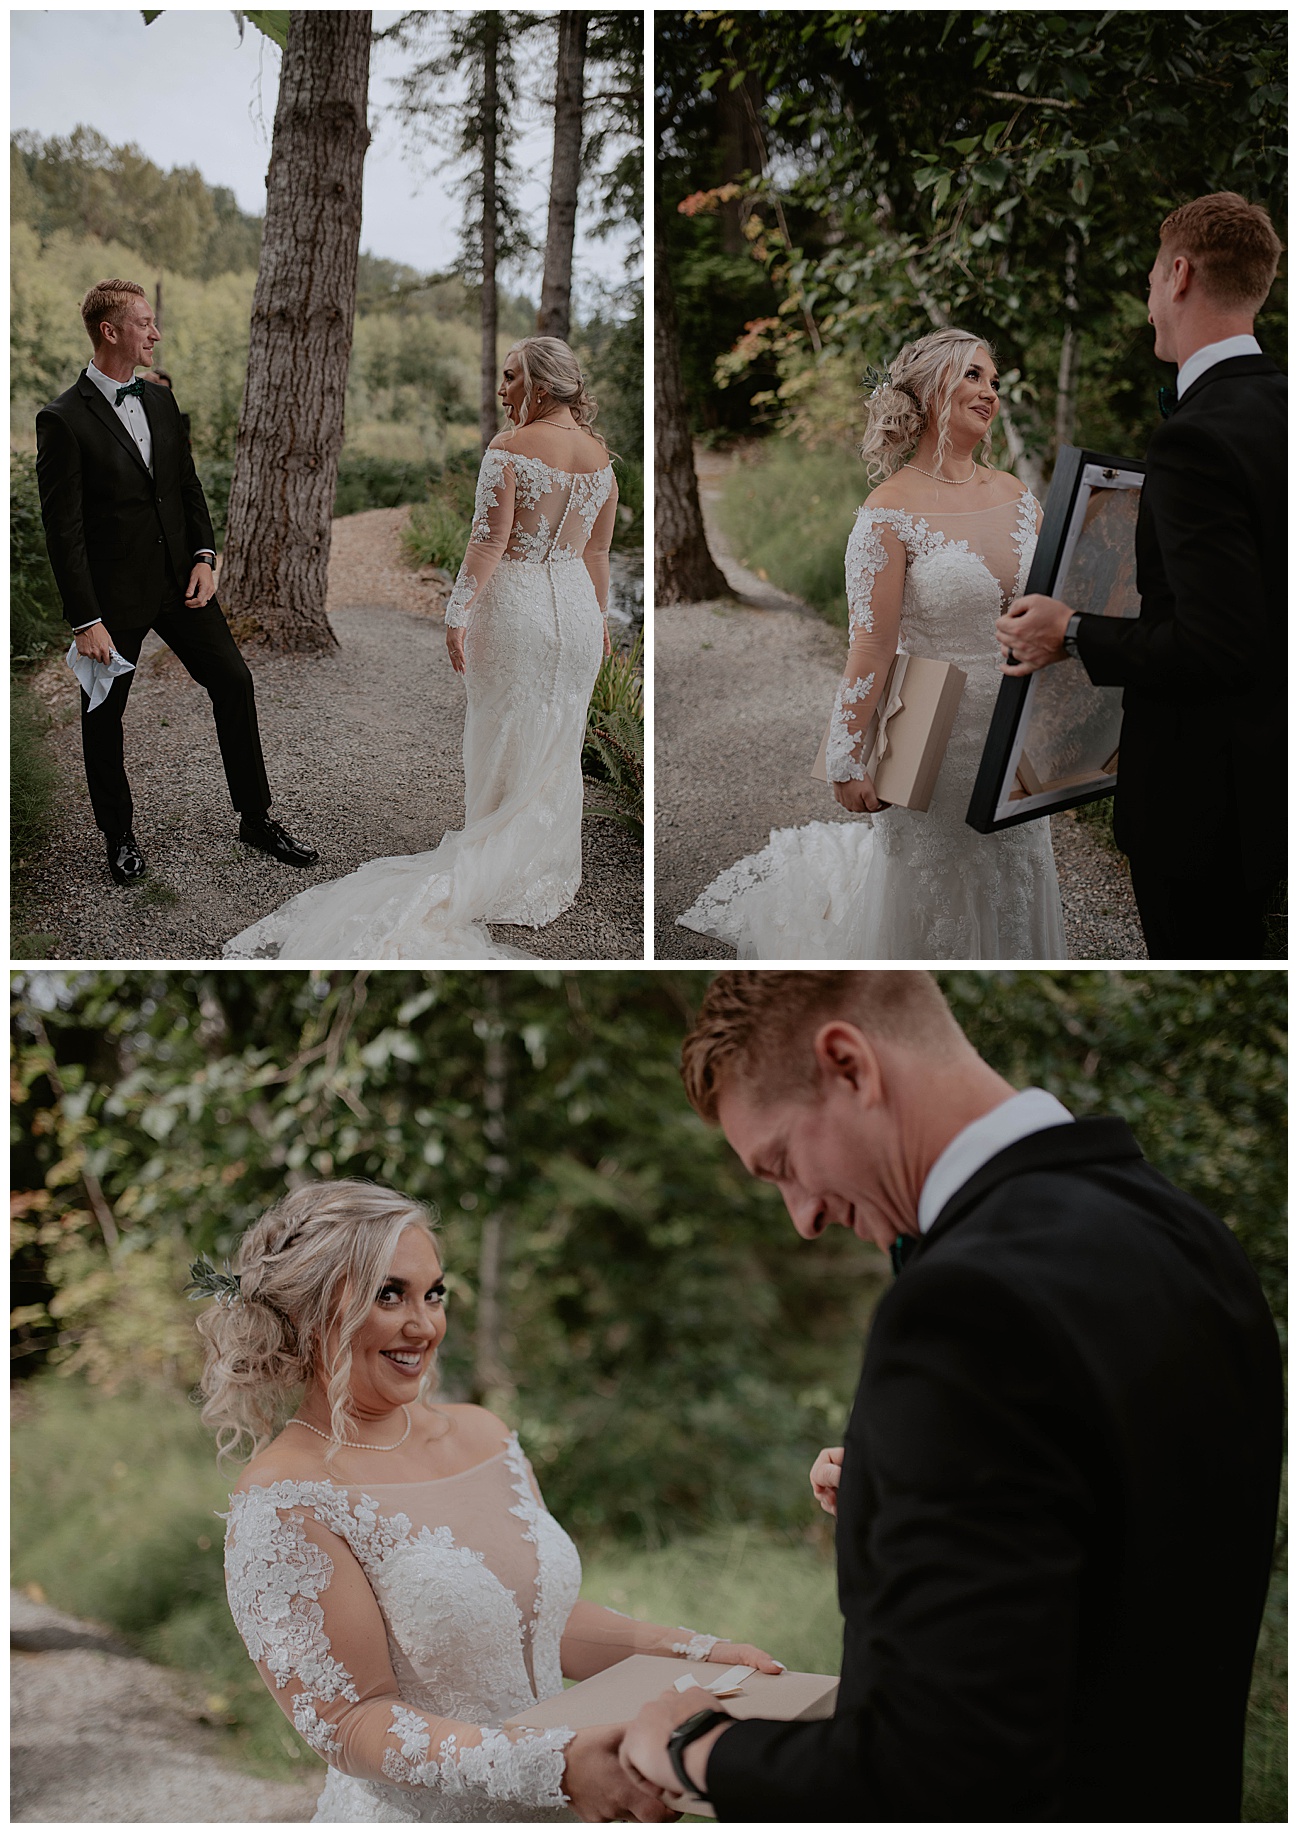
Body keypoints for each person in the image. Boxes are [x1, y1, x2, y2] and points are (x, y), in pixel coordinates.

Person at [620, 971, 1281, 1820]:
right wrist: (907, 1479)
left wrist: (692, 1745)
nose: (803, 1215)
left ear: (849, 1065)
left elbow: (932, 1767)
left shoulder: (964, 1306)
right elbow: (1127, 1509)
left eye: (782, 1162)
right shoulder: (1192, 1236)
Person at [198, 1179, 778, 1822]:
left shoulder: (484, 1433)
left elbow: (537, 1623)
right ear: (310, 1310)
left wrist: (698, 1651)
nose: (423, 1325)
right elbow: (351, 1723)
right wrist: (553, 1767)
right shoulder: (284, 1498)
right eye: (389, 1295)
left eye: (434, 1294)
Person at [224, 337, 619, 959]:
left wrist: (458, 612)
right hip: (575, 611)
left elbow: (488, 545)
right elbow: (597, 554)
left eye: (511, 377)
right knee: (558, 735)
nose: (502, 389)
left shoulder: (510, 448)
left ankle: (491, 856)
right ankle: (545, 869)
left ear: (542, 386)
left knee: (500, 726)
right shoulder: (600, 457)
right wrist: (598, 618)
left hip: (515, 608)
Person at [676, 329, 1064, 959]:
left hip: (1016, 728)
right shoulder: (887, 511)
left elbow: (1049, 607)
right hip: (934, 732)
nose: (989, 391)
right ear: (930, 389)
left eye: (993, 380)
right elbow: (871, 648)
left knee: (1016, 876)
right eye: (972, 375)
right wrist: (850, 756)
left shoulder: (1019, 498)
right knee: (935, 894)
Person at [996, 193, 1285, 959]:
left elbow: (1218, 645)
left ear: (1181, 274)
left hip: (1207, 807)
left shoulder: (1196, 439)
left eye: (1153, 279)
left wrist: (1073, 629)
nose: (1149, 300)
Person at [36, 278, 316, 888]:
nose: (155, 334)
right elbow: (65, 531)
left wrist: (205, 556)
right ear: (111, 332)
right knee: (104, 716)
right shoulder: (61, 419)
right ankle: (118, 836)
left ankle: (256, 818)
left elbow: (186, 487)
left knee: (234, 683)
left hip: (180, 586)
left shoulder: (160, 400)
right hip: (112, 603)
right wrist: (85, 620)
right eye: (144, 323)